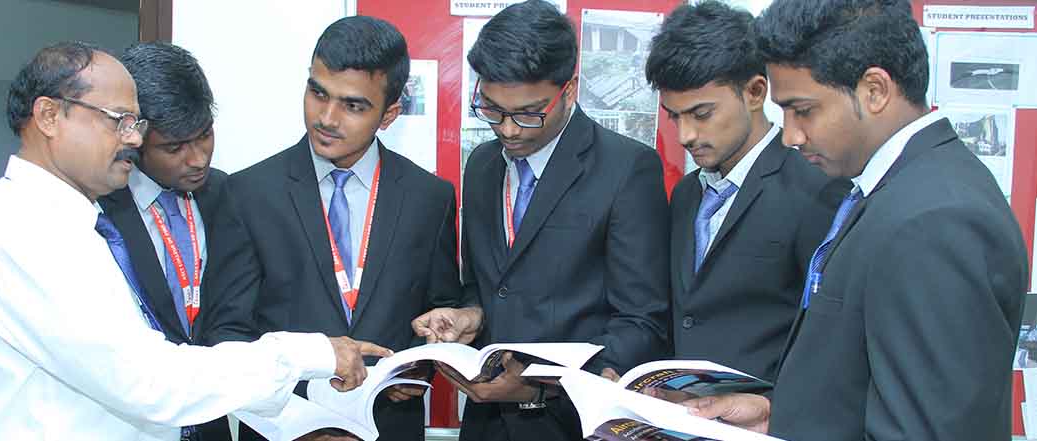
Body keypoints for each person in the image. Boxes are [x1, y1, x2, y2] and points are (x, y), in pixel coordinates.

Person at [0, 41, 388, 441]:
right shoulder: (31, 234)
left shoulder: (66, 221)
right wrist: (309, 353)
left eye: (136, 123)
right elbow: (148, 382)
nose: (134, 139)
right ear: (49, 116)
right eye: (120, 121)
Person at [684, 1, 1029, 439]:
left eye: (803, 110)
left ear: (874, 90)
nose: (790, 136)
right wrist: (779, 417)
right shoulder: (896, 190)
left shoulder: (935, 220)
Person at [202, 16, 464, 441]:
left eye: (353, 106)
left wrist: (420, 365)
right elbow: (226, 333)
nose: (326, 117)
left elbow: (440, 310)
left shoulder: (429, 198)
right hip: (282, 430)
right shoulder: (248, 193)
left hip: (389, 427)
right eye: (318, 92)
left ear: (389, 114)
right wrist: (296, 418)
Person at [419, 2, 671, 440]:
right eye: (492, 109)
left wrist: (542, 384)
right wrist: (469, 315)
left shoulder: (626, 169)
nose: (509, 130)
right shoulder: (482, 166)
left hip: (575, 425)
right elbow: (484, 284)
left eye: (529, 113)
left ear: (568, 90)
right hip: (486, 426)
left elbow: (642, 321)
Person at [642, 0, 840, 386]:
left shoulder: (816, 190)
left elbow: (828, 340)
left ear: (754, 92)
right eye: (674, 116)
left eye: (701, 114)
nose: (685, 135)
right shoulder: (686, 195)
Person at [93, 41, 232, 440]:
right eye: (174, 147)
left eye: (204, 136)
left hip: (213, 423)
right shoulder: (99, 210)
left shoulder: (226, 195)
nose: (198, 159)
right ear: (133, 138)